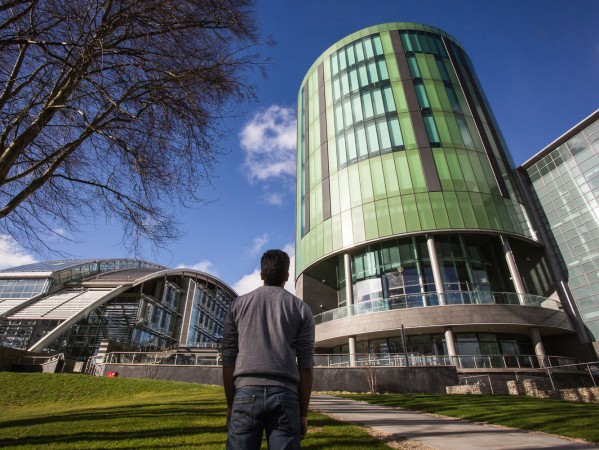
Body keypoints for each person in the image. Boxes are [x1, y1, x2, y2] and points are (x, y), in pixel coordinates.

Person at [221, 249, 315, 450]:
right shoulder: (301, 309)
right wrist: (303, 414)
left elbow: (228, 359)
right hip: (286, 395)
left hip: (245, 394)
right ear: (287, 276)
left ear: (261, 274)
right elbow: (306, 366)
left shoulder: (237, 306)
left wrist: (231, 404)